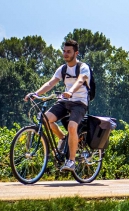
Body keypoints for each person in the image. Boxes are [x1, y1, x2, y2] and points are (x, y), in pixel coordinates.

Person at [24, 39, 90, 172]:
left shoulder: (83, 67)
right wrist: (35, 94)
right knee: (44, 119)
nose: (65, 54)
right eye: (64, 51)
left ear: (76, 53)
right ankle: (63, 138)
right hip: (65, 101)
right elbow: (51, 83)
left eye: (69, 52)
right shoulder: (63, 69)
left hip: (80, 102)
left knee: (72, 126)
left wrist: (70, 91)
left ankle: (71, 161)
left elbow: (80, 80)